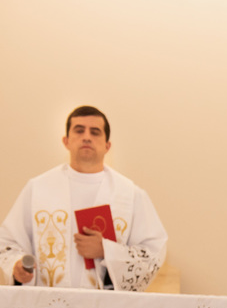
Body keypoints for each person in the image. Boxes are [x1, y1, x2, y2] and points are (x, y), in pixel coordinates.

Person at [0, 105, 167, 290]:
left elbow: (153, 254)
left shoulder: (130, 194)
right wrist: (16, 266)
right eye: (79, 131)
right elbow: (8, 242)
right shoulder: (38, 188)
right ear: (66, 141)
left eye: (95, 132)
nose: (87, 137)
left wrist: (106, 251)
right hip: (47, 307)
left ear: (107, 146)